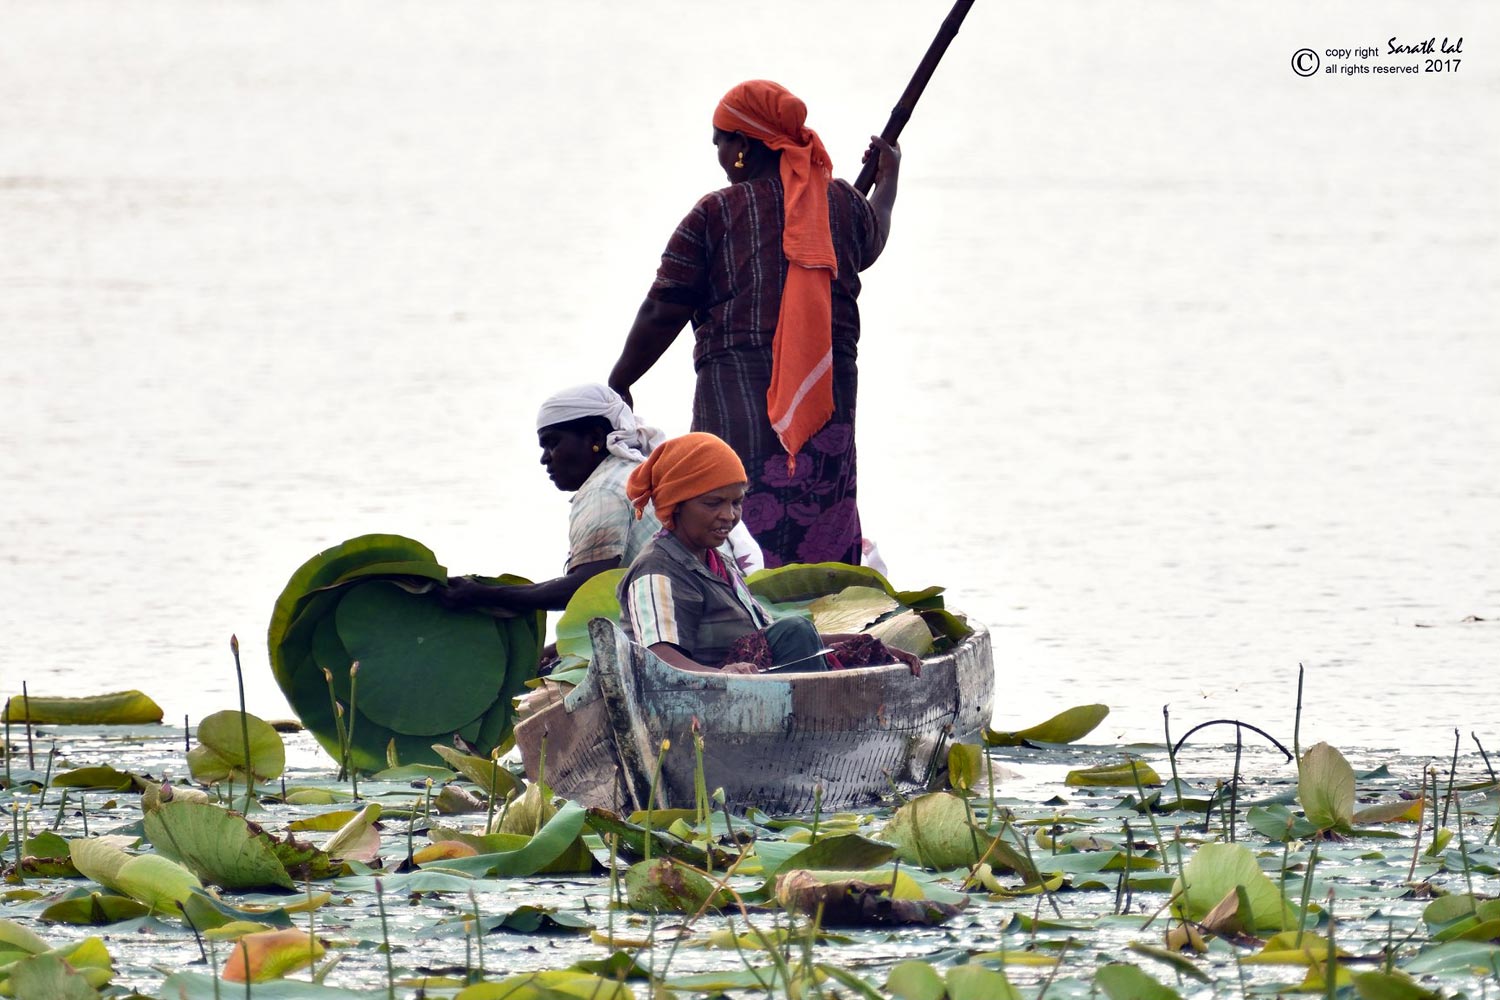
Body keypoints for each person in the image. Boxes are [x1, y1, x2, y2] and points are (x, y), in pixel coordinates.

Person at [608, 79, 900, 570]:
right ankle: (823, 604)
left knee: (721, 496)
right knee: (822, 500)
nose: (719, 153)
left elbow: (665, 306)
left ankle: (731, 604)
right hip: (826, 392)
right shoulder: (844, 203)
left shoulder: (716, 212)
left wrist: (621, 379)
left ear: (743, 145)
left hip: (739, 391)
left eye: (721, 141)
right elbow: (872, 239)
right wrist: (889, 178)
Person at [618, 432, 920, 676]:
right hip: (703, 705)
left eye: (737, 502)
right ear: (676, 504)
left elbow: (764, 635)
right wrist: (722, 675)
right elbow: (657, 658)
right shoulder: (657, 569)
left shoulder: (717, 561)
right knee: (794, 627)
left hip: (750, 686)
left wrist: (858, 642)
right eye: (713, 503)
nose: (729, 515)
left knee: (806, 633)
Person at [443, 384, 761, 614]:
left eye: (552, 443)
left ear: (595, 438)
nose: (545, 458)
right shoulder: (635, 470)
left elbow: (585, 587)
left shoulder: (602, 491)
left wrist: (485, 595)